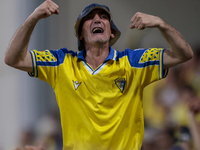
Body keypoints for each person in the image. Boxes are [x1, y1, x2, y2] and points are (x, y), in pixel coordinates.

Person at [5, 0, 193, 150]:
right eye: (90, 18)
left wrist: (160, 23)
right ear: (80, 35)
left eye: (104, 17)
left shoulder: (132, 62)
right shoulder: (62, 63)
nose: (97, 19)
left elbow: (183, 54)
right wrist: (34, 17)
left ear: (111, 33)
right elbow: (13, 59)